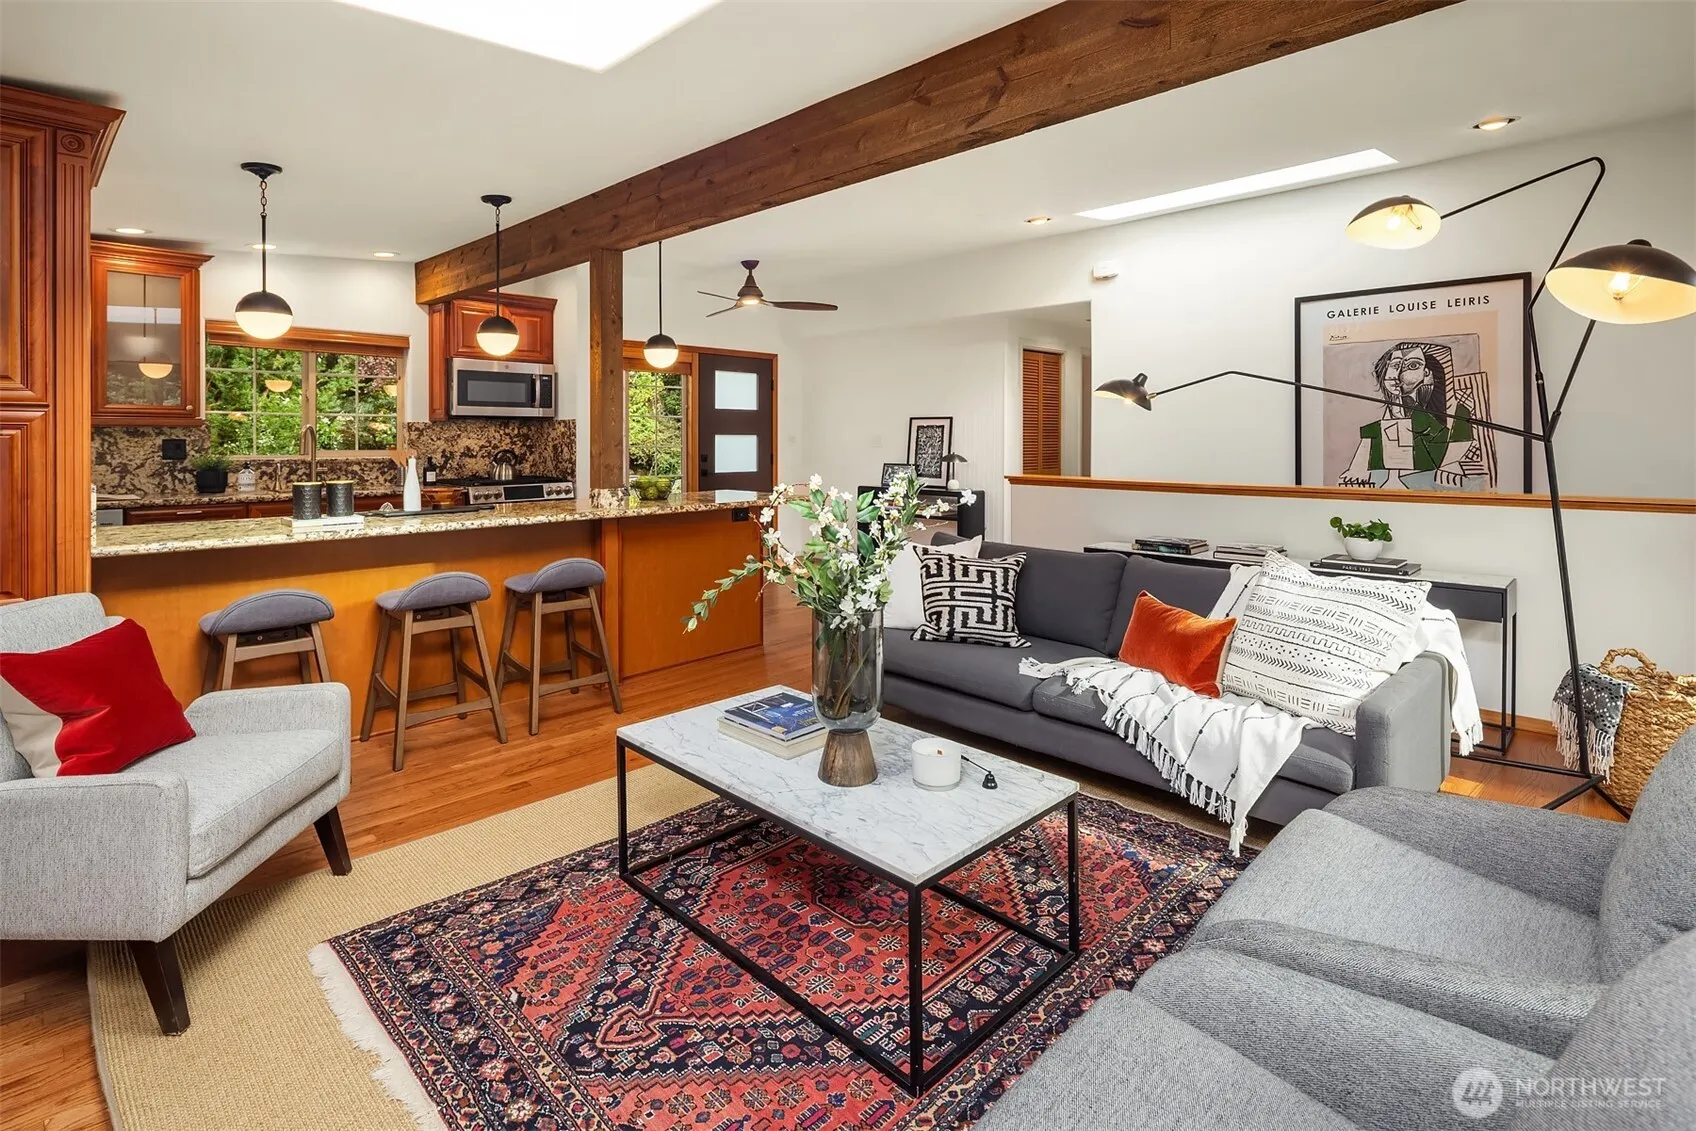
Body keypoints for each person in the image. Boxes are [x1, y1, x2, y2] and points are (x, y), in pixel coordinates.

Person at [1336, 340, 1490, 490]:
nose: (1398, 374)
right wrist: (1358, 469)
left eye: (1412, 366)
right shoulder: (1393, 409)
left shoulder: (1457, 410)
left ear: (1427, 373)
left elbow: (1451, 453)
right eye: (1395, 365)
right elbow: (1378, 442)